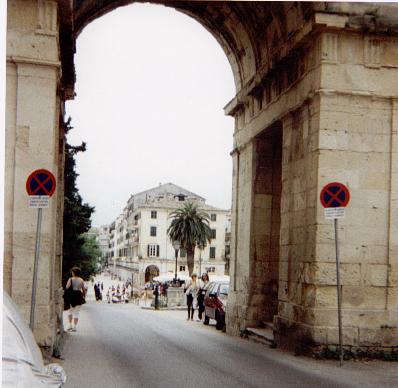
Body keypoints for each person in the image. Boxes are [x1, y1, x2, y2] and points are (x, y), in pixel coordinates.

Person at [65, 267, 85, 332]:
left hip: (72, 296)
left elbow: (67, 287)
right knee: (76, 312)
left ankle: (70, 325)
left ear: (73, 273)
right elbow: (83, 290)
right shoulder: (81, 280)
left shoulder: (70, 279)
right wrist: (84, 297)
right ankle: (75, 327)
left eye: (72, 272)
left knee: (70, 311)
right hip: (79, 295)